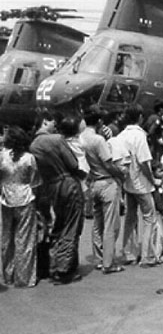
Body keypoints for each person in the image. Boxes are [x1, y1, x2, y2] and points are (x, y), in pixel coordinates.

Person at [30, 112, 85, 285]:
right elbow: (73, 164)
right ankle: (63, 269)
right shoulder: (56, 140)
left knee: (59, 224)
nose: (55, 125)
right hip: (68, 184)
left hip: (52, 188)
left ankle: (54, 264)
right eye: (53, 122)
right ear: (45, 122)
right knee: (71, 226)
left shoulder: (33, 145)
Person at [81, 107, 126, 274]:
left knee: (97, 223)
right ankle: (108, 263)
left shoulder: (81, 138)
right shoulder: (98, 140)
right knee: (110, 224)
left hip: (92, 182)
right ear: (99, 121)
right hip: (106, 182)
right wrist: (121, 174)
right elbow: (108, 163)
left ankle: (100, 258)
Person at [117, 104, 157, 268]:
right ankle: (147, 255)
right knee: (149, 217)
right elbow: (144, 162)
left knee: (130, 218)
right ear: (140, 117)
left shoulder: (121, 136)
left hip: (127, 183)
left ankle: (129, 253)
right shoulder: (139, 136)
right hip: (142, 184)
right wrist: (152, 179)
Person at [0, 126, 41, 287]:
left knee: (6, 238)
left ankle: (7, 275)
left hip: (5, 199)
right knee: (25, 240)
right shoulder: (29, 158)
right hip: (25, 199)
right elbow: (35, 181)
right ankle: (24, 278)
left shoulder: (2, 157)